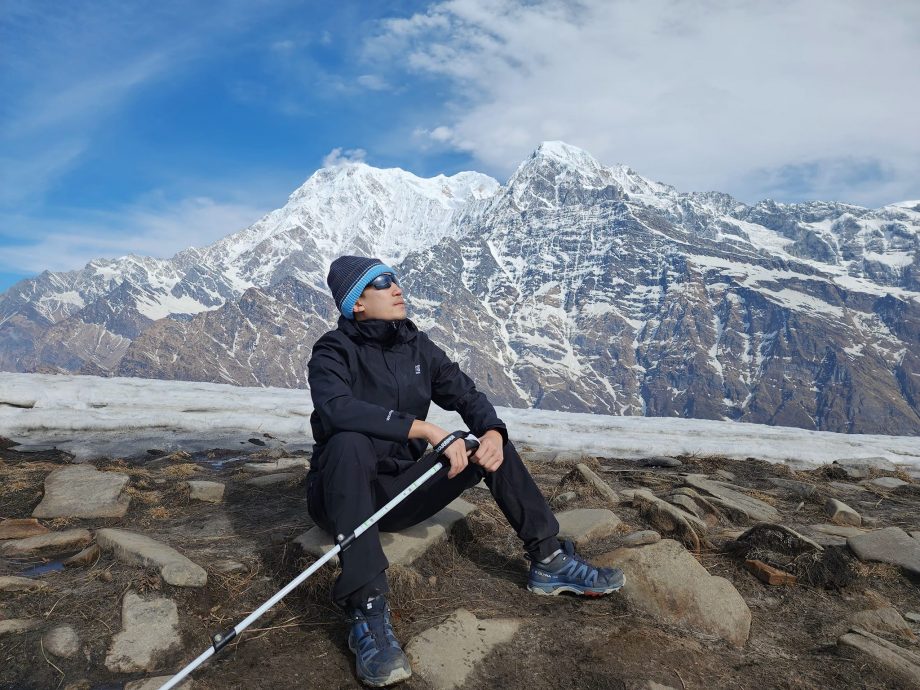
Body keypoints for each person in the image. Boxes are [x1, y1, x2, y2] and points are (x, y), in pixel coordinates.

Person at [306, 255, 625, 687]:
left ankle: (548, 558)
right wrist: (423, 428)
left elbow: (464, 392)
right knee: (347, 440)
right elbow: (336, 409)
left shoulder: (416, 346)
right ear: (356, 303)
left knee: (483, 445)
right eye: (382, 282)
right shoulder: (332, 351)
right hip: (341, 496)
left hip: (398, 494)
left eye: (395, 278)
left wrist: (493, 431)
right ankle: (366, 609)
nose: (397, 288)